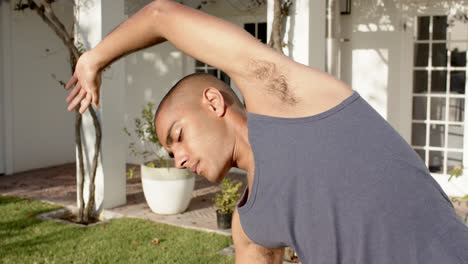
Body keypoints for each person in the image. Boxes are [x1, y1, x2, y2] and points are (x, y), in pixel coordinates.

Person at [65, 0, 468, 263]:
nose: (180, 158)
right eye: (171, 154)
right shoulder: (252, 224)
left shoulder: (287, 99)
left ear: (213, 102)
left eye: (179, 136)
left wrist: (94, 59)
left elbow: (161, 16)